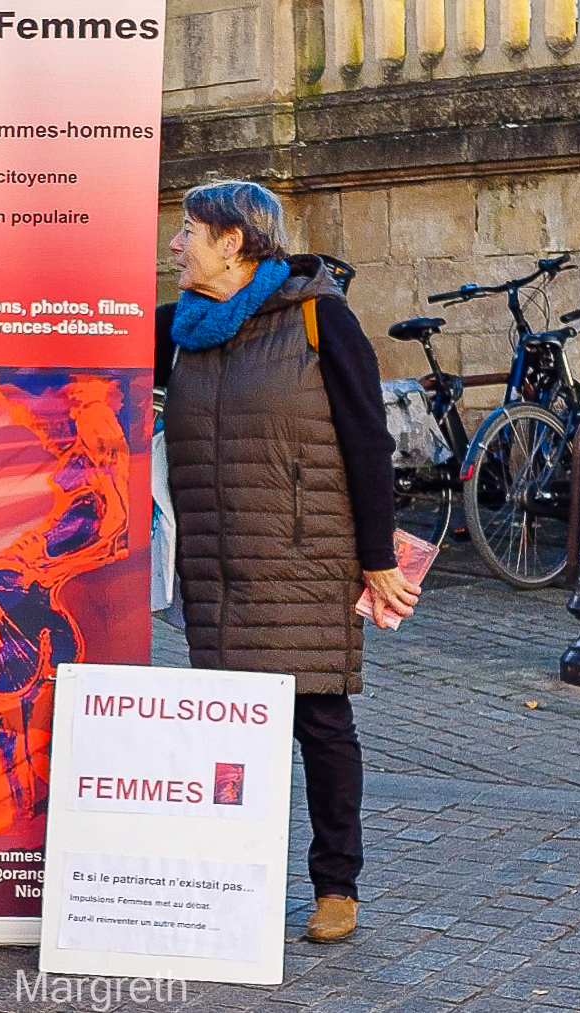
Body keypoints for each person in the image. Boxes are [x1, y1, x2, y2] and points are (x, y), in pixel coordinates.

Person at [158, 180, 420, 945]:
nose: (175, 245)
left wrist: (377, 557)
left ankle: (336, 884)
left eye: (188, 230)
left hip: (304, 558)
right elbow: (85, 352)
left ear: (233, 242)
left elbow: (368, 441)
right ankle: (235, 883)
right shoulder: (182, 328)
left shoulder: (318, 318)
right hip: (217, 565)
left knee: (319, 720)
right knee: (233, 732)